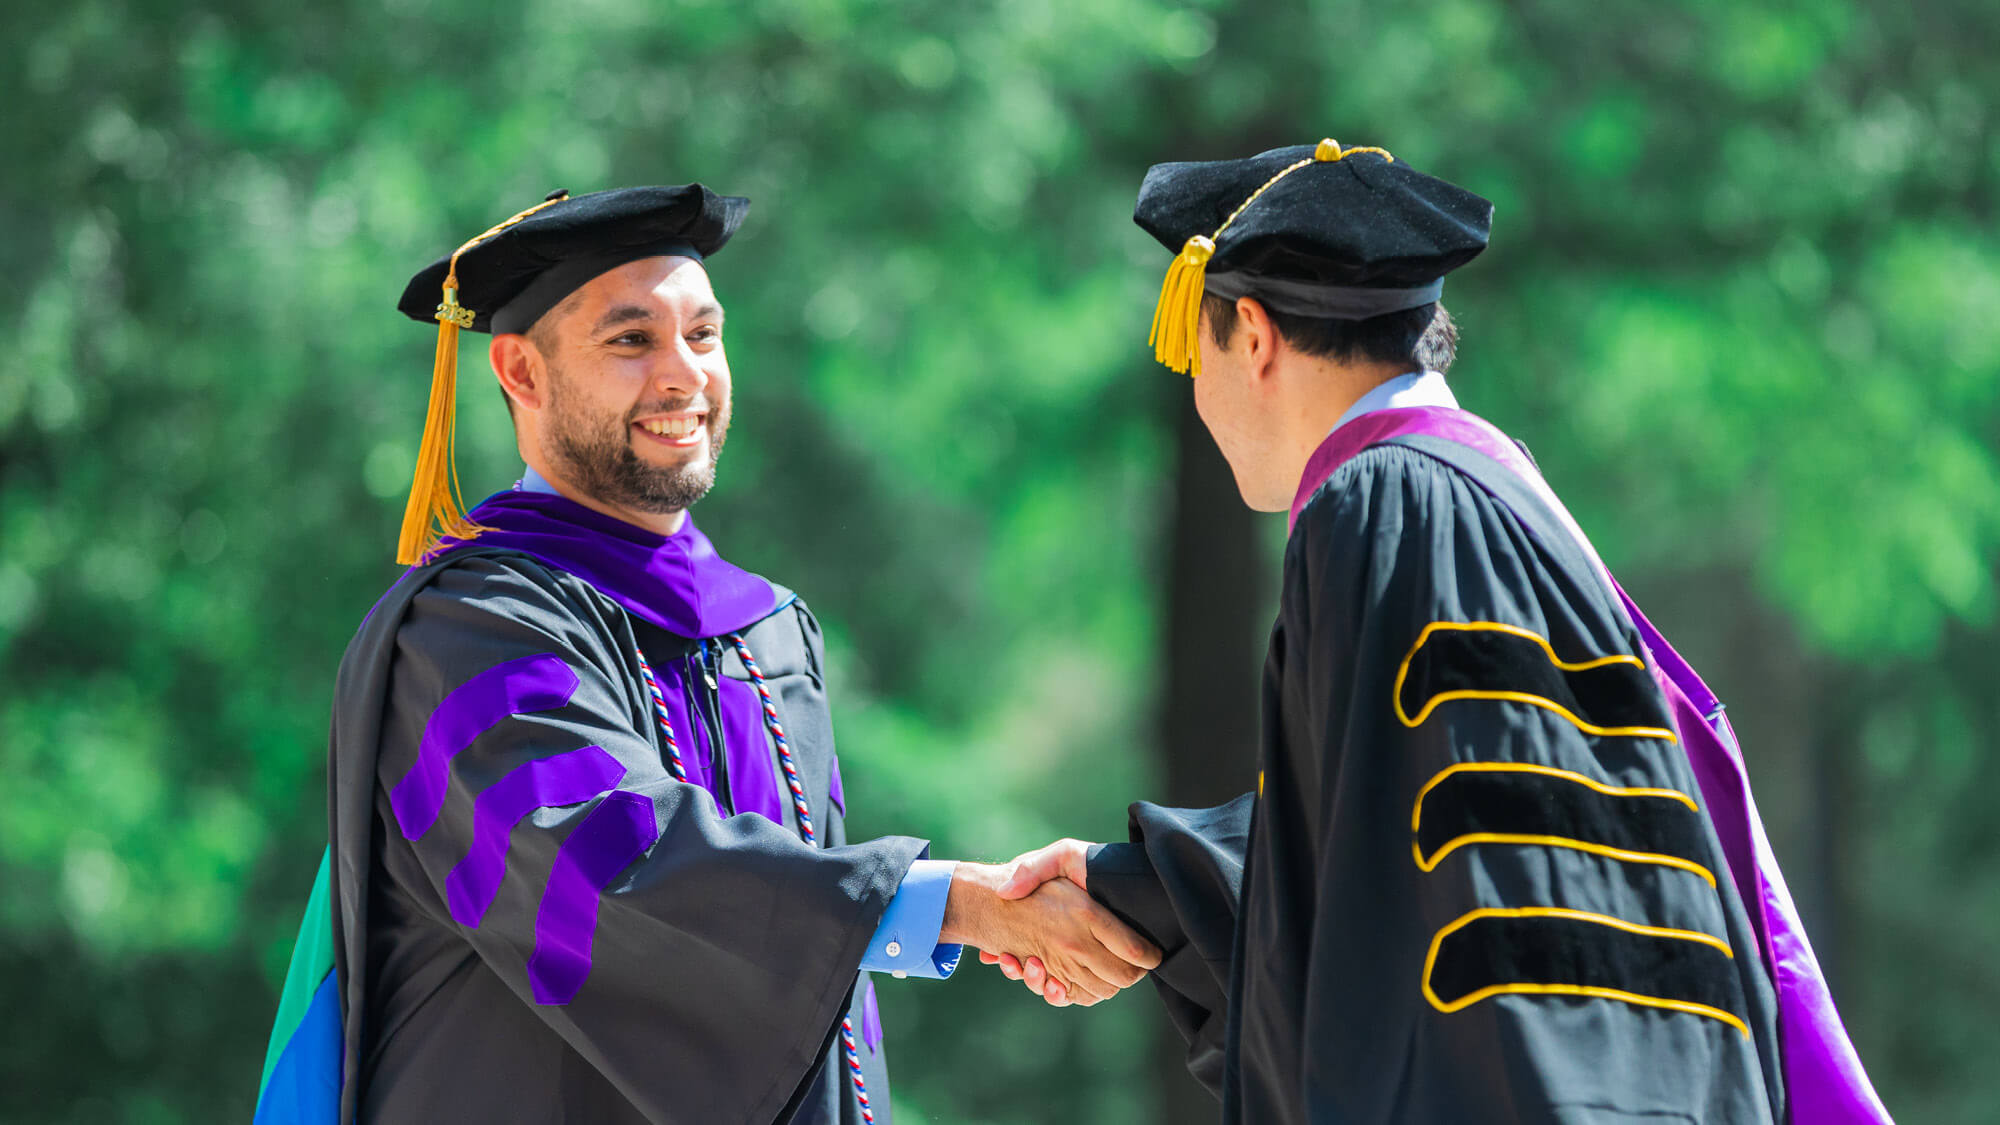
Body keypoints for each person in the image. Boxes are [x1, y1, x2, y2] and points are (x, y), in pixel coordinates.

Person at [986, 141, 1893, 1123]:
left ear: (1250, 335)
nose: (1197, 399)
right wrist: (1139, 892)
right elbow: (1436, 841)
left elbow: (1463, 912)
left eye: (1190, 356)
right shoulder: (1495, 499)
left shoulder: (1382, 506)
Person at [251, 184, 1160, 1125]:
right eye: (631, 341)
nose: (684, 376)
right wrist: (958, 903)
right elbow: (610, 871)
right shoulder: (469, 629)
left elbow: (826, 1000)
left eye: (705, 334)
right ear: (520, 372)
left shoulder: (766, 631)